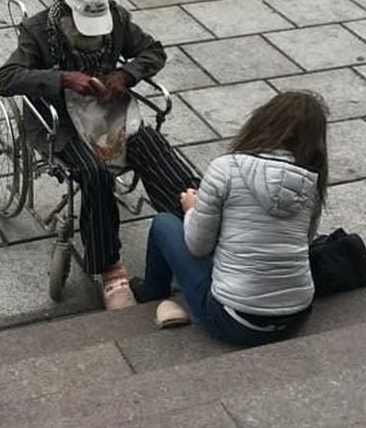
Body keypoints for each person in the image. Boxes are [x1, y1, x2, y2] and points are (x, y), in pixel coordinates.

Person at [0, 0, 199, 310]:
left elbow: (153, 51)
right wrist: (62, 79)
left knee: (153, 147)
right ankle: (109, 267)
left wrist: (125, 74)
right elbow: (5, 79)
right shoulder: (38, 30)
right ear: (68, 13)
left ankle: (194, 220)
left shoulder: (116, 20)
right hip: (58, 119)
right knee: (95, 173)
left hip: (107, 111)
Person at [135, 91, 327, 346]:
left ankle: (153, 294)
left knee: (164, 224)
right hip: (295, 315)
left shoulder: (226, 168)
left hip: (235, 321)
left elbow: (197, 246)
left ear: (262, 122)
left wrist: (191, 208)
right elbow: (304, 239)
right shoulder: (310, 181)